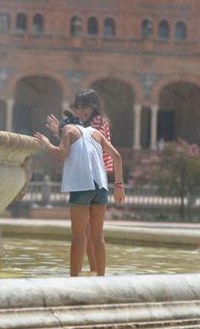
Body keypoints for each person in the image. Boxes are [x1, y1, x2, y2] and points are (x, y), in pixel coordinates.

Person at [34, 112, 125, 277]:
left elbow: (61, 154)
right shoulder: (96, 133)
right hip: (101, 188)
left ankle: (74, 279)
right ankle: (101, 278)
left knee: (78, 236)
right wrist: (119, 186)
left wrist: (46, 144)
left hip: (81, 186)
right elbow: (117, 157)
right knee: (97, 236)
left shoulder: (68, 130)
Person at [46, 89, 113, 273]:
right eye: (79, 107)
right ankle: (94, 271)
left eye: (86, 107)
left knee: (89, 233)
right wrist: (61, 129)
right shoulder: (89, 122)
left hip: (92, 177)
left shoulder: (96, 122)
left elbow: (89, 145)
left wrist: (61, 130)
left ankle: (92, 269)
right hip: (96, 177)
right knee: (89, 232)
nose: (82, 111)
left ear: (94, 106)